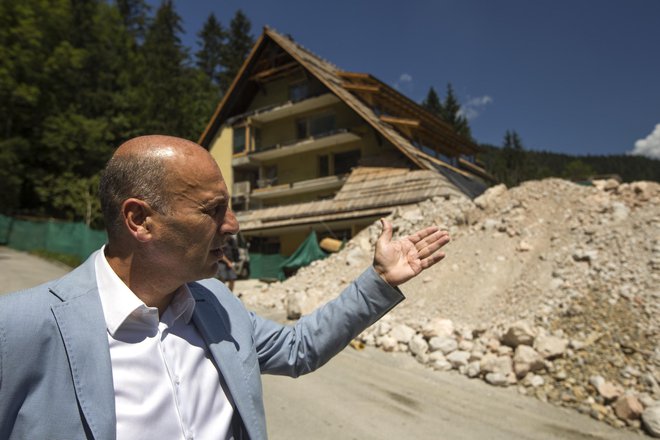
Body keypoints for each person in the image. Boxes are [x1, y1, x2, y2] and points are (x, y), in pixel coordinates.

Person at [0, 135, 450, 440]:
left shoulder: (215, 304)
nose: (232, 225)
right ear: (140, 220)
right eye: (213, 210)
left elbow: (298, 349)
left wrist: (380, 282)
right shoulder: (20, 328)